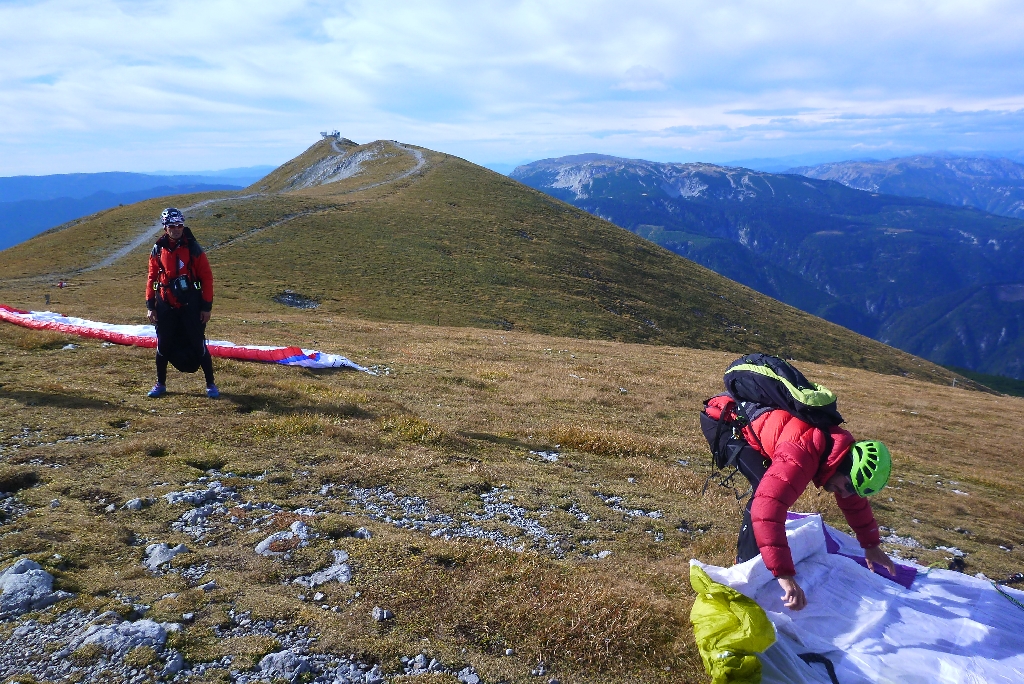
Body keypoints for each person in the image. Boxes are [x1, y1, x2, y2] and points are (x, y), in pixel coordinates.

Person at [704, 394, 895, 611]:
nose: (845, 494)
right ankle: (745, 566)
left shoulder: (837, 450)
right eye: (849, 486)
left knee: (769, 487)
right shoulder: (804, 454)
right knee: (763, 493)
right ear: (844, 466)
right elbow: (767, 510)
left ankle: (755, 559)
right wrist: (785, 576)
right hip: (725, 421)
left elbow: (853, 502)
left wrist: (871, 545)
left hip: (753, 423)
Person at [145, 207, 218, 398]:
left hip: (190, 305)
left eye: (179, 225)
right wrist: (150, 305)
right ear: (165, 227)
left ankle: (211, 384)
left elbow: (207, 278)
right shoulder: (157, 249)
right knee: (163, 345)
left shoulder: (193, 248)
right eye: (172, 226)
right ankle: (160, 384)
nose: (176, 229)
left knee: (198, 344)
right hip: (165, 304)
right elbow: (152, 278)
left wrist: (206, 307)